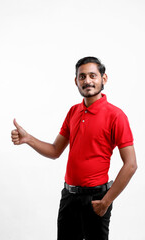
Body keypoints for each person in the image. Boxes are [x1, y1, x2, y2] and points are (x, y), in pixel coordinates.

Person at [11, 56, 137, 240]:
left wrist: (106, 202)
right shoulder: (73, 111)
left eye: (93, 75)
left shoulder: (116, 116)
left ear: (104, 78)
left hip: (97, 199)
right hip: (68, 197)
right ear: (76, 81)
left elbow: (131, 165)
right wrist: (28, 139)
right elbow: (55, 150)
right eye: (82, 76)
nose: (87, 81)